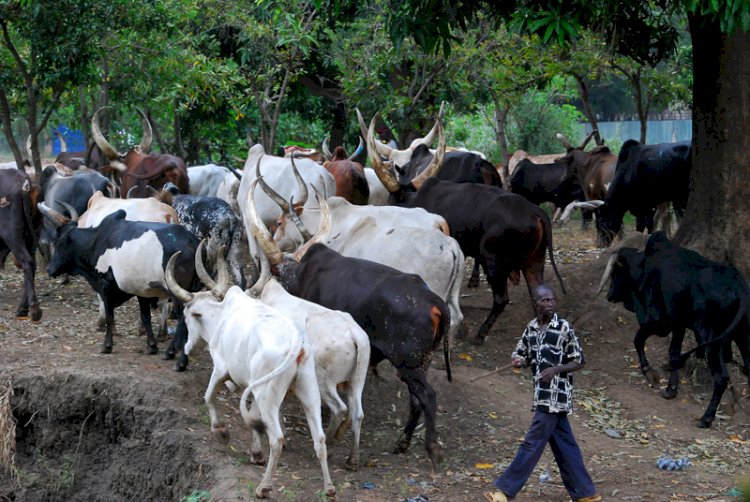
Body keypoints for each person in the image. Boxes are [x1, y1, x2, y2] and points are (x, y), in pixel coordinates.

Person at [489, 284, 601, 502]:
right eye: (545, 301)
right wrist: (519, 361)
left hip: (556, 397)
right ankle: (586, 493)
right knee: (565, 446)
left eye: (552, 300)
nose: (550, 304)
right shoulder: (531, 328)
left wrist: (555, 370)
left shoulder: (564, 328)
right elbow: (522, 354)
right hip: (540, 395)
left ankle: (505, 491)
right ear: (536, 303)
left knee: (532, 443)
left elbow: (579, 360)